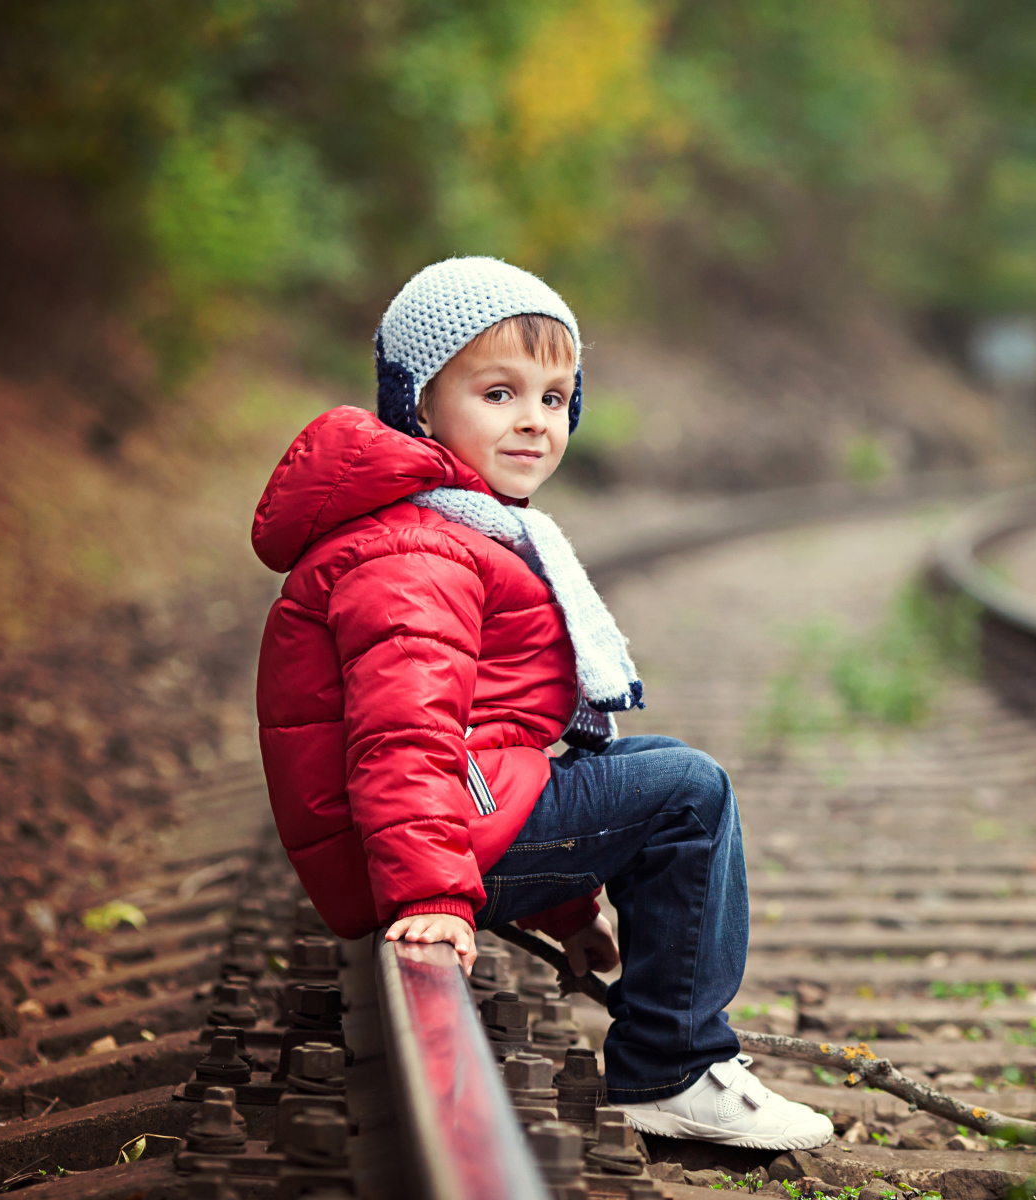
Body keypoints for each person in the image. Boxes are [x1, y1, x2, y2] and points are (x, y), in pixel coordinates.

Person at [251, 257, 832, 1150]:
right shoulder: (420, 550)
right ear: (417, 401)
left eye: (556, 398)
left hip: (439, 819)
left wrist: (564, 906)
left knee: (647, 768)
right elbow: (403, 740)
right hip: (408, 846)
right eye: (497, 392)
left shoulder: (443, 522)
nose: (534, 420)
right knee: (689, 790)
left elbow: (490, 745)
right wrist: (435, 896)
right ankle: (674, 1068)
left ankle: (667, 1043)